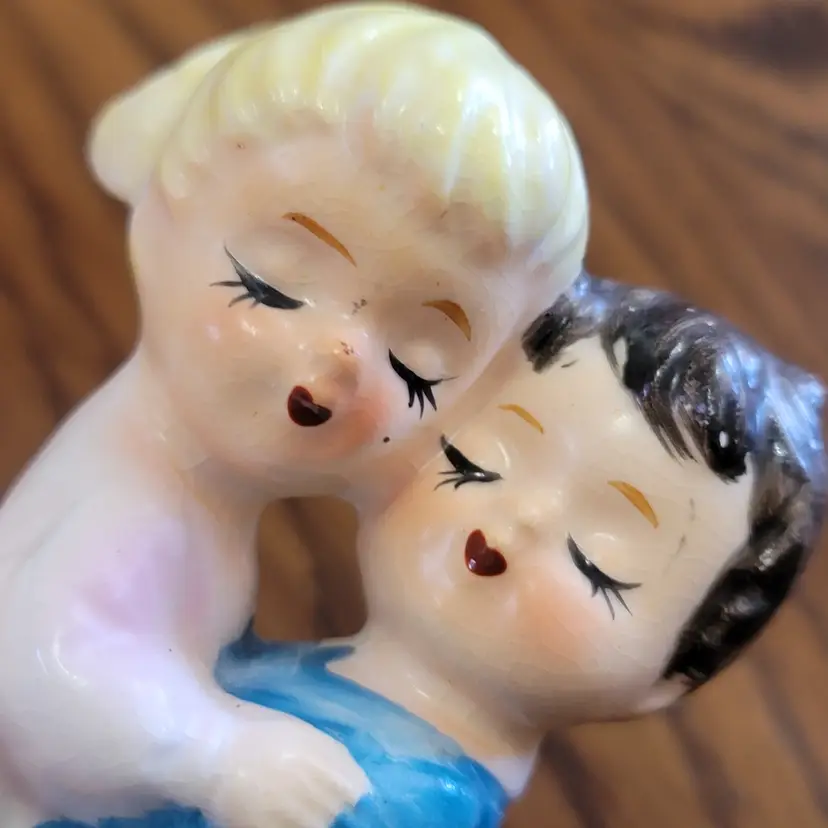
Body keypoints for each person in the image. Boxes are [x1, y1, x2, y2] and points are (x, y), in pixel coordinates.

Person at [0, 5, 589, 827]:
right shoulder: (133, 502)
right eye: (271, 286)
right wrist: (213, 756)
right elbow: (32, 678)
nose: (341, 360)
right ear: (161, 222)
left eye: (417, 369)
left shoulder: (196, 501)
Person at [46, 274, 825, 827]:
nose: (511, 525)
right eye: (476, 463)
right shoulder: (318, 674)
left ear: (673, 673)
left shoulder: (397, 802)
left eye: (597, 559)